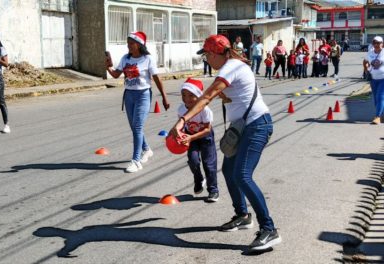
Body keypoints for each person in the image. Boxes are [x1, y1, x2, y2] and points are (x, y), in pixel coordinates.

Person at [170, 34, 281, 251]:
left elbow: (206, 96)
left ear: (215, 53)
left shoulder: (230, 67)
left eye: (207, 55)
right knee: (228, 170)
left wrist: (182, 120)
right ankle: (242, 215)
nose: (206, 60)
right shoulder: (233, 67)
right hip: (243, 127)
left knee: (242, 175)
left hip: (257, 125)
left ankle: (269, 229)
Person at [106, 31, 170, 173]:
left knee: (137, 127)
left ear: (139, 45)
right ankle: (146, 149)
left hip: (143, 95)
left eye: (131, 43)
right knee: (135, 128)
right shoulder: (125, 58)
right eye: (128, 43)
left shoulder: (147, 59)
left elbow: (157, 79)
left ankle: (136, 161)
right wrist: (108, 66)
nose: (129, 46)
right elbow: (116, 74)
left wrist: (164, 97)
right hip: (128, 96)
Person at [177, 78, 219, 202]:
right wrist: (179, 136)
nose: (187, 98)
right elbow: (182, 126)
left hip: (206, 137)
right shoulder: (181, 109)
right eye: (183, 95)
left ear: (199, 96)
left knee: (209, 164)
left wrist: (191, 137)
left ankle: (213, 190)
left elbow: (207, 129)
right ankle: (199, 179)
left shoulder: (205, 110)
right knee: (193, 161)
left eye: (191, 95)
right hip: (191, 137)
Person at [363, 36, 384, 124]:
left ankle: (377, 116)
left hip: (383, 78)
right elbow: (365, 61)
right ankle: (381, 115)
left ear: (382, 44)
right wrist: (366, 69)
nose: (376, 45)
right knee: (376, 98)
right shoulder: (370, 53)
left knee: (380, 96)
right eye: (374, 43)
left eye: (378, 43)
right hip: (373, 79)